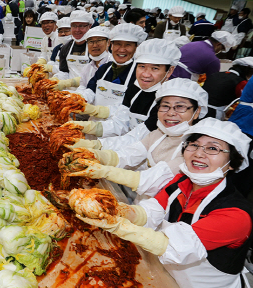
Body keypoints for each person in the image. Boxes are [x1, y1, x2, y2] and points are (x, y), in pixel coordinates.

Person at [75, 118, 253, 288]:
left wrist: (116, 225)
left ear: (231, 163)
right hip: (165, 274)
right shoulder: (181, 182)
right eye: (194, 145)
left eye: (213, 148)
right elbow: (150, 212)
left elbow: (170, 245)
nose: (199, 153)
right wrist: (113, 209)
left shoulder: (236, 215)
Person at [71, 79, 208, 178]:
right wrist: (95, 152)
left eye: (180, 107)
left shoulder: (197, 148)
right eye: (165, 106)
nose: (171, 113)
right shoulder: (157, 135)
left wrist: (106, 171)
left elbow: (152, 179)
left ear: (196, 111)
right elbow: (128, 154)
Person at [70, 38, 179, 138]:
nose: (146, 74)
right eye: (141, 66)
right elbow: (120, 123)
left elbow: (138, 140)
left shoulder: (170, 103)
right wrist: (89, 127)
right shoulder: (135, 89)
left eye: (155, 68)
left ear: (169, 71)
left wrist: (100, 148)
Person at [54, 26, 112, 95]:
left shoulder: (114, 65)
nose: (94, 45)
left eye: (99, 41)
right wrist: (71, 96)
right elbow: (82, 88)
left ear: (108, 43)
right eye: (91, 42)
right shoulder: (88, 68)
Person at [171, 31, 236, 81]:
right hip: (183, 80)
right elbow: (212, 80)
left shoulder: (191, 44)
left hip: (169, 74)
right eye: (221, 49)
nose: (220, 51)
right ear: (218, 44)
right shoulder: (213, 59)